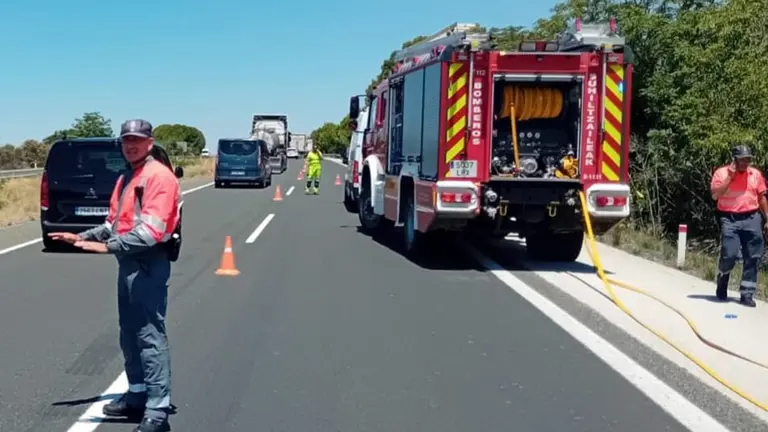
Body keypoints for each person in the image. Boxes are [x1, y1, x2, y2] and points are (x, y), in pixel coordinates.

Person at [48, 119, 180, 432]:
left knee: (150, 334)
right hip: (128, 263)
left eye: (137, 139)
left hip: (149, 263)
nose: (130, 145)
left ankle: (157, 413)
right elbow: (113, 224)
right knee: (129, 332)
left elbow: (151, 232)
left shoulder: (159, 177)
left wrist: (104, 248)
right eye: (126, 140)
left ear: (150, 142)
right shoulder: (127, 177)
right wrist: (81, 237)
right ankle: (136, 395)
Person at [710, 144, 768, 307]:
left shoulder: (755, 174)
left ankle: (747, 294)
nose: (745, 163)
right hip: (730, 218)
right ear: (734, 160)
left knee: (753, 255)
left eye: (748, 160)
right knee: (729, 254)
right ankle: (723, 279)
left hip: (752, 217)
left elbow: (762, 197)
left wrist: (767, 218)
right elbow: (715, 195)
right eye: (742, 160)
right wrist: (730, 177)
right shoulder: (721, 173)